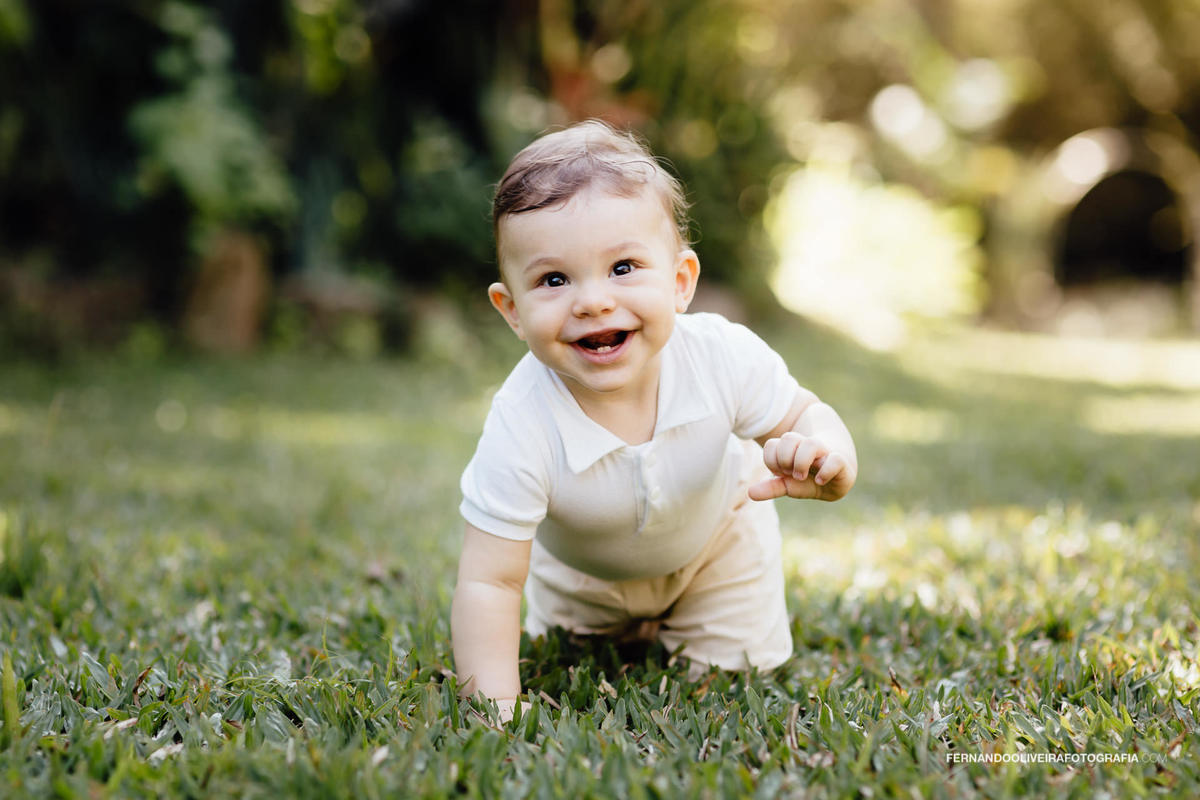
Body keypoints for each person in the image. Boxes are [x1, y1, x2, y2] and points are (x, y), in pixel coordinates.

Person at [451, 120, 857, 719]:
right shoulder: (521, 421)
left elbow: (804, 412)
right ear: (511, 310)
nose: (592, 301)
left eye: (622, 268)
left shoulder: (721, 356)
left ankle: (706, 628)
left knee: (728, 682)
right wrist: (495, 714)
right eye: (554, 279)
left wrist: (829, 456)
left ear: (680, 282)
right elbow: (490, 583)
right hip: (583, 573)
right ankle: (609, 623)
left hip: (717, 549)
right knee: (577, 653)